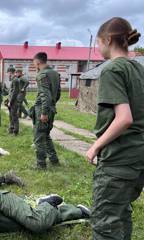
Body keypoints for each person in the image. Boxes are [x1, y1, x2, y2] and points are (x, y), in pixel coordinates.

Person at [85, 17, 144, 240]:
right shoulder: (139, 69)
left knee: (105, 221)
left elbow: (124, 118)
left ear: (108, 40)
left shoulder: (112, 69)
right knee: (121, 214)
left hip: (119, 158)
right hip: (137, 157)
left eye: (97, 42)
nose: (96, 48)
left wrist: (95, 147)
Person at [32, 52, 61, 169]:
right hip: (52, 108)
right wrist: (51, 106)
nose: (34, 65)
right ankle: (54, 160)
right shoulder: (55, 73)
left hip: (43, 110)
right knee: (46, 135)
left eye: (34, 63)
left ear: (38, 62)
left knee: (38, 138)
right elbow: (57, 94)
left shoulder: (42, 75)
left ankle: (41, 164)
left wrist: (44, 112)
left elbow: (45, 95)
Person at [7, 67, 20, 135]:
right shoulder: (13, 80)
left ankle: (15, 131)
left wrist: (10, 101)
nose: (7, 75)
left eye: (8, 73)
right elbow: (11, 91)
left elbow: (15, 92)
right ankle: (11, 129)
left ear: (10, 72)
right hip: (12, 101)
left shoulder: (15, 80)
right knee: (11, 116)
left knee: (14, 117)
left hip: (14, 101)